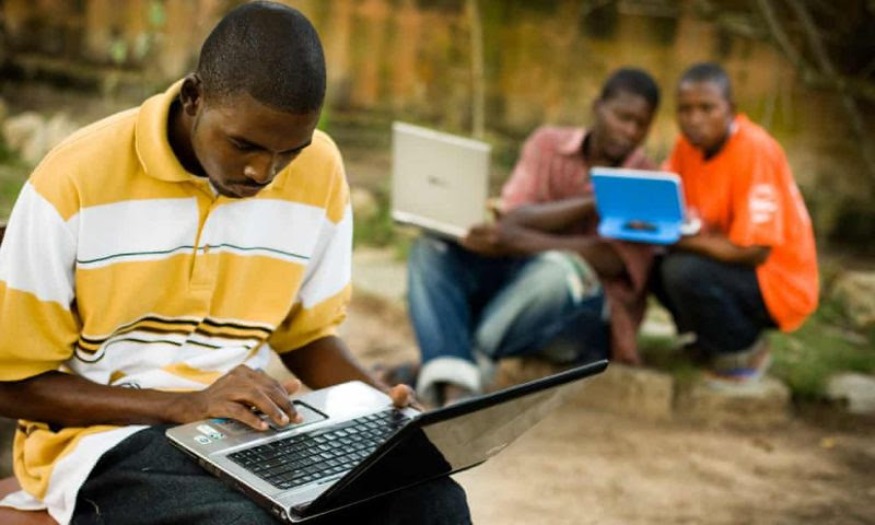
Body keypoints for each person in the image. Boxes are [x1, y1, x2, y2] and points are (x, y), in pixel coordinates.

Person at [0, 3, 470, 524]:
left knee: (431, 498)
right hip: (106, 439)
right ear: (193, 97)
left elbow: (306, 336)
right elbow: (12, 383)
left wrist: (381, 404)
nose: (263, 172)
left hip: (251, 429)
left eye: (289, 152)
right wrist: (182, 405)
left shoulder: (320, 170)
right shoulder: (75, 177)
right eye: (244, 145)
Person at [404, 68, 661, 407]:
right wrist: (594, 200)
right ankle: (455, 383)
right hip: (516, 287)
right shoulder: (547, 144)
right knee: (431, 247)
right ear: (597, 107)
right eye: (622, 117)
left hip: (582, 318)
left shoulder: (646, 178)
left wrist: (518, 240)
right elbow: (513, 217)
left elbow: (611, 259)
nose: (630, 132)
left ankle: (449, 369)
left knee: (561, 269)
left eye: (641, 124)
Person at [652, 62, 819, 385]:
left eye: (706, 108)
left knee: (682, 270)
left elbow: (755, 251)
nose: (694, 119)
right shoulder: (687, 147)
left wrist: (678, 241)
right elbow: (668, 202)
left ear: (730, 109)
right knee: (653, 260)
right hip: (727, 262)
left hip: (777, 282)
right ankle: (706, 341)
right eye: (685, 110)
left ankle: (744, 349)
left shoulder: (755, 150)